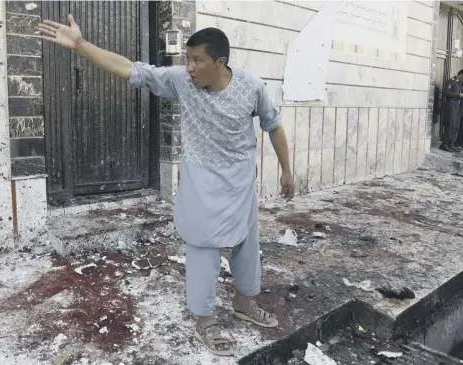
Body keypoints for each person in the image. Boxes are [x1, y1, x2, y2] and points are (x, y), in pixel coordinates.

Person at [38, 16, 294, 356]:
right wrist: (81, 45)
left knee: (247, 246)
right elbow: (132, 70)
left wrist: (287, 170)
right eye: (187, 59)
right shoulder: (181, 82)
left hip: (241, 183)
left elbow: (273, 126)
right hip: (201, 185)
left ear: (220, 62)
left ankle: (244, 302)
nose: (188, 67)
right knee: (203, 250)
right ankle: (205, 320)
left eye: (197, 60)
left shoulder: (252, 87)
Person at [440, 69, 463, 152]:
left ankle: (451, 144)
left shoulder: (460, 83)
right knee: (450, 124)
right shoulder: (451, 81)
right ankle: (445, 144)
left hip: (457, 106)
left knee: (456, 125)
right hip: (451, 104)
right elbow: (445, 92)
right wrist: (458, 95)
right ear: (461, 74)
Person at [456, 77, 463, 150]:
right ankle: (458, 143)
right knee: (461, 126)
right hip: (462, 108)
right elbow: (457, 95)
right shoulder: (460, 85)